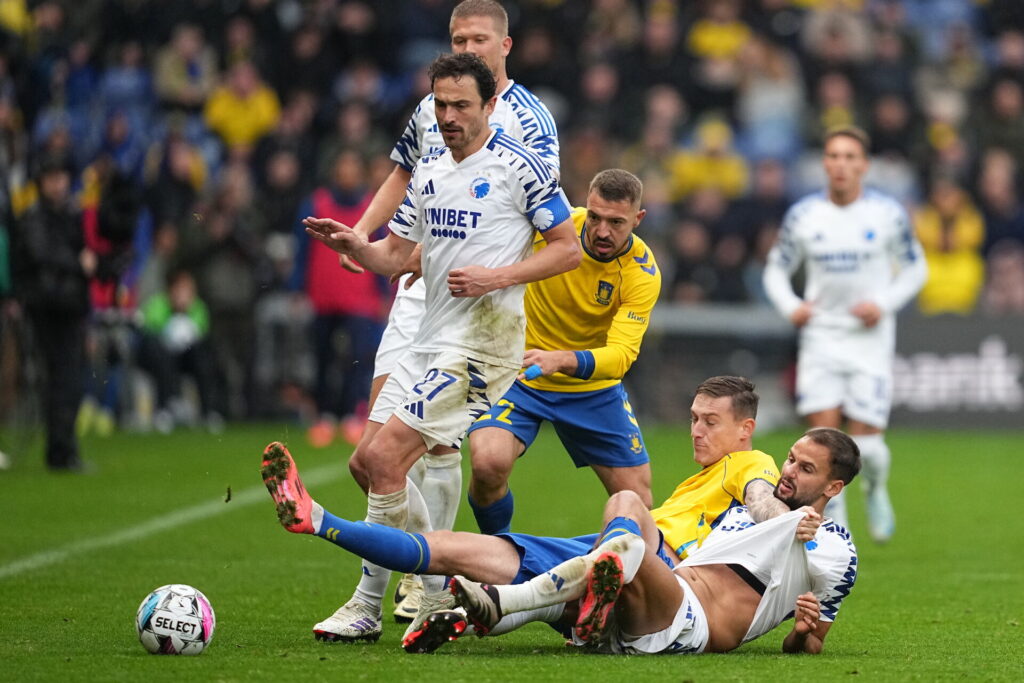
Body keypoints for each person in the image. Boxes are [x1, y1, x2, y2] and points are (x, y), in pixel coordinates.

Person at [298, 51, 579, 643]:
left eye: (461, 105)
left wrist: (496, 278)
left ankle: (368, 606)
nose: (448, 116)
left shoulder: (520, 167)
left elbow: (568, 249)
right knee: (364, 463)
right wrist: (354, 243)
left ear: (490, 106)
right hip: (429, 340)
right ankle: (441, 582)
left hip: (483, 347)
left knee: (383, 461)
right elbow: (396, 257)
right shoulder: (427, 170)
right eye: (441, 105)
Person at [261, 376, 791, 650]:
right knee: (450, 552)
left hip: (658, 576)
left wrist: (781, 515)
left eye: (711, 422)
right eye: (695, 418)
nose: (697, 430)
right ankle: (318, 521)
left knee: (629, 501)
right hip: (598, 554)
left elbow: (763, 496)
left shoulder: (750, 461)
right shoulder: (703, 476)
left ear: (745, 428)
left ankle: (517, 606)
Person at [449, 427, 859, 656]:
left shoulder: (837, 547)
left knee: (627, 550)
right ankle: (473, 620)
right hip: (666, 594)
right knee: (626, 501)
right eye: (790, 458)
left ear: (834, 486)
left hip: (690, 627)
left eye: (806, 469)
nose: (788, 471)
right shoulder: (743, 512)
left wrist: (803, 633)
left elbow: (810, 644)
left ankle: (507, 601)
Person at [466, 168, 661, 534]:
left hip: (590, 390)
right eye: (596, 217)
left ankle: (615, 580)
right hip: (519, 373)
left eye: (617, 222)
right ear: (586, 204)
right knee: (487, 463)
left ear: (638, 219)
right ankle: (496, 552)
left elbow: (620, 357)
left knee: (639, 502)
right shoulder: (553, 228)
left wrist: (561, 359)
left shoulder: (641, 273)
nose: (602, 231)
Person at [762, 125, 927, 543]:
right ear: (825, 164)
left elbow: (915, 268)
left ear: (864, 165)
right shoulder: (804, 216)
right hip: (821, 337)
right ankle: (839, 534)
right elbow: (775, 268)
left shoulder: (886, 215)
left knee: (867, 446)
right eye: (834, 156)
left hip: (869, 339)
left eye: (850, 157)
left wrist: (883, 303)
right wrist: (792, 306)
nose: (841, 165)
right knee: (824, 446)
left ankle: (874, 488)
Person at [13, 153, 95, 471]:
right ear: (41, 182)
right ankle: (60, 450)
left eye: (62, 177)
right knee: (61, 379)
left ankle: (63, 448)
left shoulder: (68, 216)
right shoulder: (34, 217)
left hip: (70, 307)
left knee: (68, 380)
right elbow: (42, 254)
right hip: (47, 309)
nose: (59, 184)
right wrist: (78, 264)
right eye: (52, 178)